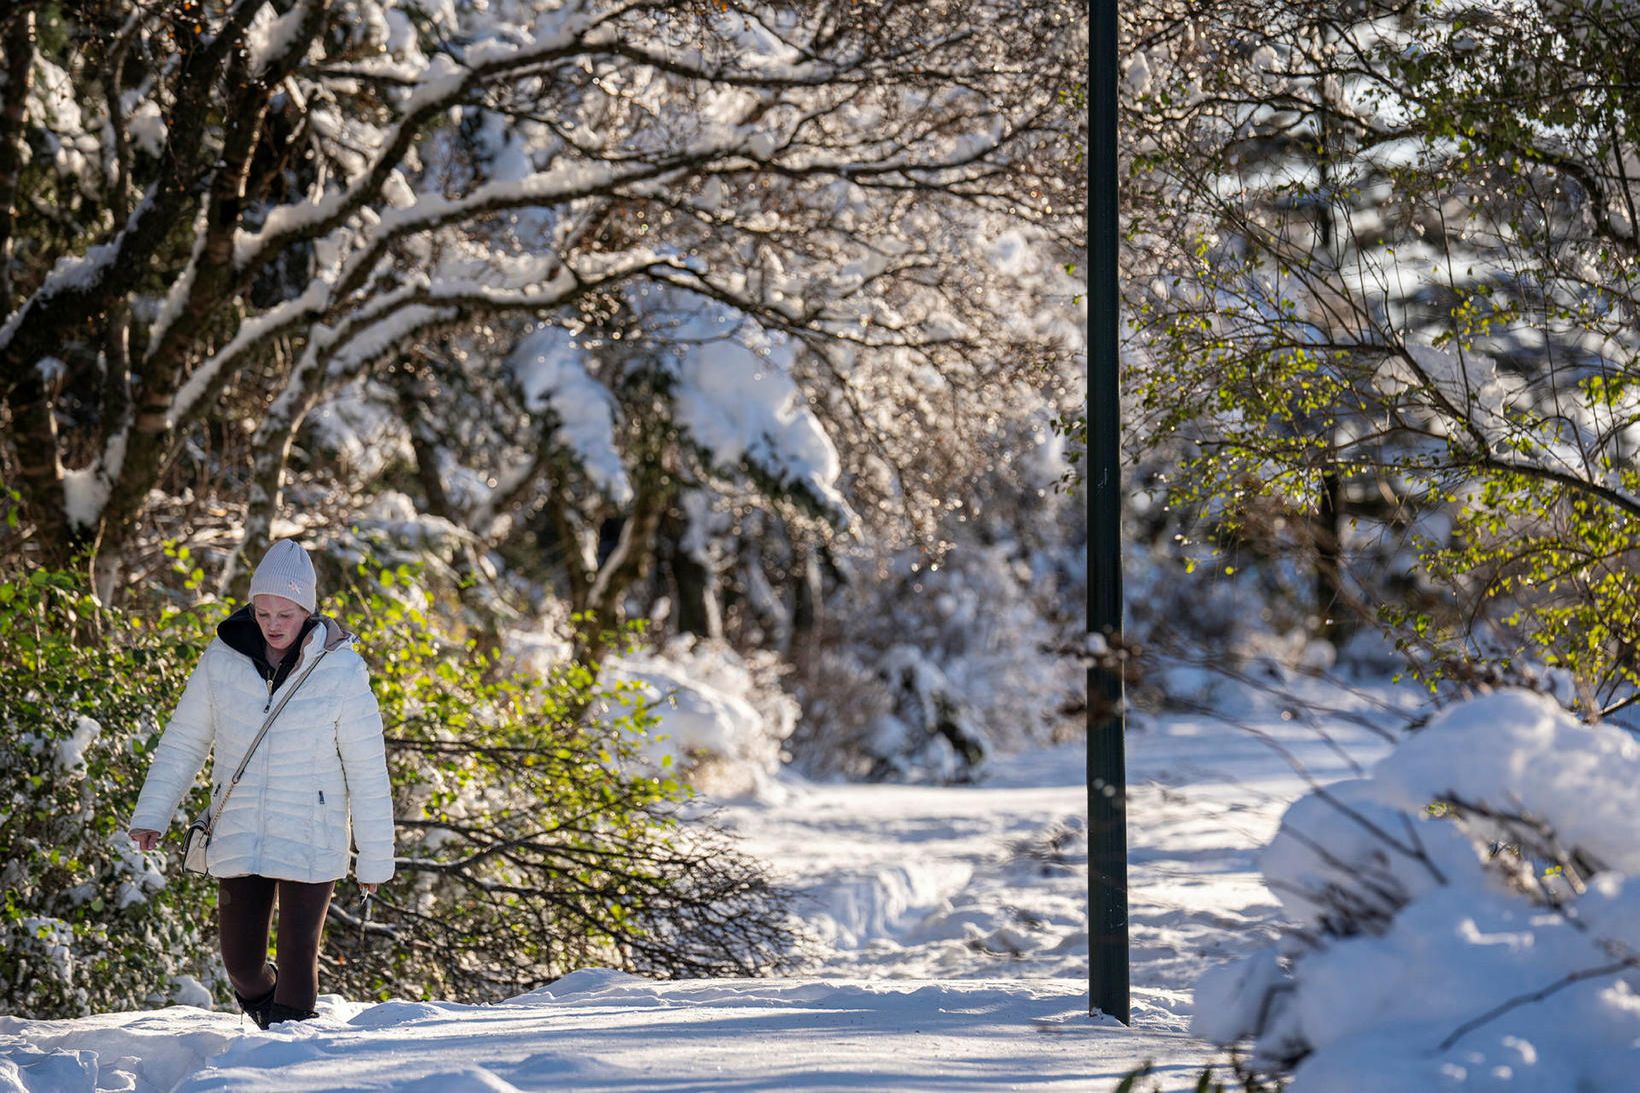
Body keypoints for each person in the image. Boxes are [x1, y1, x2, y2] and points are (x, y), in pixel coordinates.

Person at [128, 539, 395, 1028]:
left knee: (298, 960)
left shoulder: (339, 668)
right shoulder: (221, 658)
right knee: (243, 967)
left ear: (307, 611)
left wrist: (374, 856)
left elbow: (367, 766)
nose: (273, 624)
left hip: (311, 833)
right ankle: (277, 1035)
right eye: (264, 612)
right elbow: (186, 739)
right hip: (239, 826)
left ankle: (286, 1061)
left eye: (286, 614)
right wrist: (152, 814)